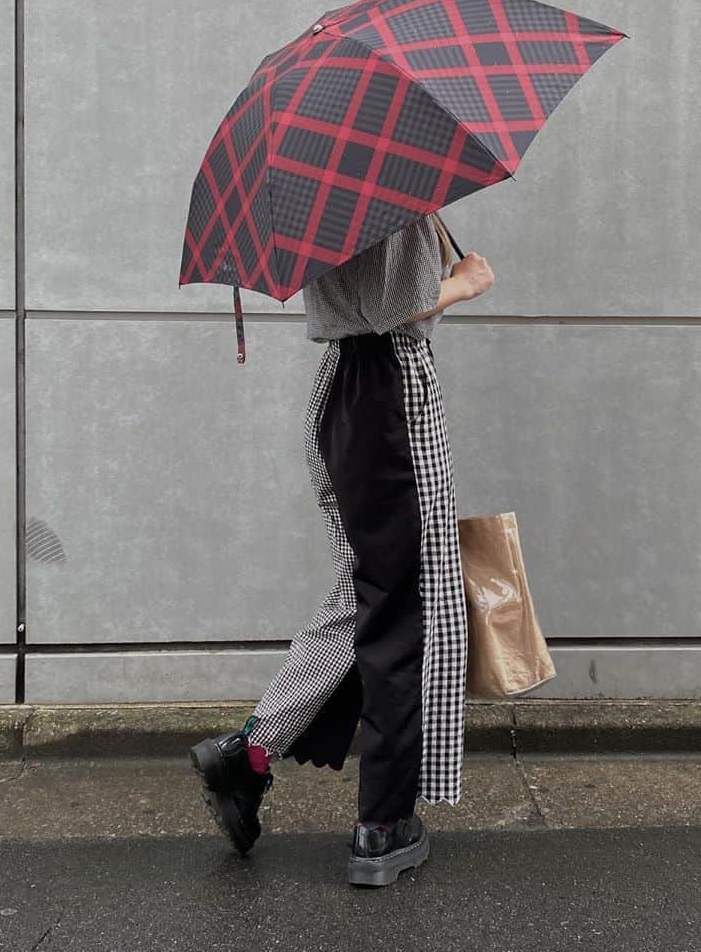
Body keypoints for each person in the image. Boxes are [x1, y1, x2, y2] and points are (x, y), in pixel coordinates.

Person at [189, 210, 495, 886]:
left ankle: (251, 750)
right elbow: (397, 306)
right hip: (391, 394)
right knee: (398, 609)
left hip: (341, 394)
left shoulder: (315, 202)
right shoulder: (393, 201)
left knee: (363, 594)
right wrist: (462, 283)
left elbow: (366, 299)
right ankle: (381, 825)